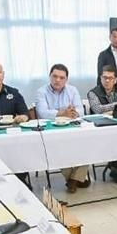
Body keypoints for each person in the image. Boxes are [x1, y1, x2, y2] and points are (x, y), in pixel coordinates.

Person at [36, 64, 88, 193]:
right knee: (60, 148)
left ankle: (73, 180)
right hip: (51, 131)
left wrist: (73, 112)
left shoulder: (72, 90)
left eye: (61, 77)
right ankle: (76, 179)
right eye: (54, 76)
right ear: (49, 77)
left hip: (71, 128)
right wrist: (62, 113)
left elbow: (81, 111)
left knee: (87, 144)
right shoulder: (41, 91)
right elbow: (42, 113)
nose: (57, 80)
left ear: (66, 79)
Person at [88, 65, 117, 182]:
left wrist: (111, 110)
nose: (107, 81)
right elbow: (97, 109)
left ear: (115, 80)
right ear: (100, 78)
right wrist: (116, 105)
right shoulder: (93, 93)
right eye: (104, 78)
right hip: (102, 129)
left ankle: (116, 166)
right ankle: (116, 167)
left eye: (110, 78)